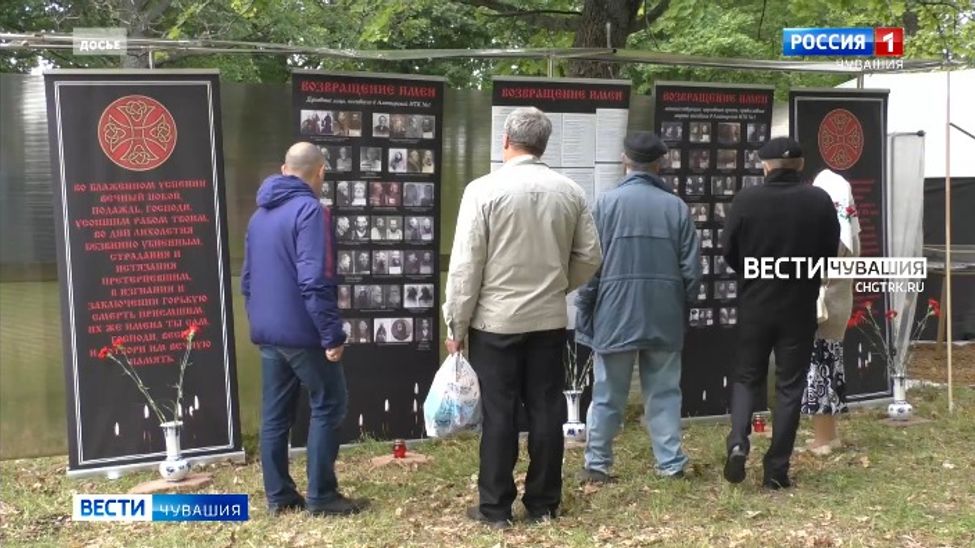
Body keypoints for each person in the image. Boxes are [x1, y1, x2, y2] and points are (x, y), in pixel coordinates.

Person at [443, 107, 602, 528]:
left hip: (494, 322)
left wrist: (456, 324)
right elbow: (590, 256)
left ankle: (495, 508)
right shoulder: (569, 191)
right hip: (548, 321)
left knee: (500, 413)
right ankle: (544, 504)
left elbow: (466, 266)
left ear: (506, 141)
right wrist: (558, 287)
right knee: (547, 409)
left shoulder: (482, 191)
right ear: (544, 144)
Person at [241, 142, 366, 516]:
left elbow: (247, 280)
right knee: (330, 402)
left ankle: (279, 496)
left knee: (275, 415)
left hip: (268, 332)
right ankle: (322, 496)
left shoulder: (259, 216)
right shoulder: (311, 211)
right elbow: (314, 279)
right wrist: (332, 334)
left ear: (284, 169)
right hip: (303, 332)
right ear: (321, 172)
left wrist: (260, 320)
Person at [576, 132, 702, 483]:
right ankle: (670, 464)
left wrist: (587, 308)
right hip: (664, 313)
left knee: (607, 394)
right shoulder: (676, 207)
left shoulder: (605, 204)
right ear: (660, 164)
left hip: (615, 312)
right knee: (664, 393)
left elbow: (590, 267)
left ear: (624, 160)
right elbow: (692, 271)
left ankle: (597, 465)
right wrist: (680, 305)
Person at [721, 137, 840, 490]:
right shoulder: (818, 200)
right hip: (799, 305)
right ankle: (776, 470)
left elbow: (729, 251)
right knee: (790, 386)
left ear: (765, 166)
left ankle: (739, 442)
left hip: (756, 303)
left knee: (747, 377)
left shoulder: (746, 200)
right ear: (801, 165)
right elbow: (829, 252)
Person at [801, 169, 861, 455]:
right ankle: (829, 434)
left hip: (824, 304)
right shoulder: (851, 230)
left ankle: (823, 439)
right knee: (830, 364)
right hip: (839, 302)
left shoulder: (832, 231)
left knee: (820, 368)